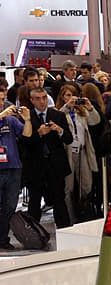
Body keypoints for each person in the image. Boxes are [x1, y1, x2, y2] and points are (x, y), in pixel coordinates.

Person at [23, 87, 73, 228]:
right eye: (38, 98)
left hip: (55, 164)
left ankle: (64, 229)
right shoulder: (27, 117)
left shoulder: (58, 115)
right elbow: (24, 142)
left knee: (59, 199)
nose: (42, 101)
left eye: (44, 98)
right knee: (35, 200)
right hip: (35, 165)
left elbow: (69, 139)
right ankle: (33, 232)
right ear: (32, 100)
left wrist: (59, 130)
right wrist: (38, 134)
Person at [55, 84, 100, 223]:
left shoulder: (81, 112)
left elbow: (95, 121)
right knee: (68, 187)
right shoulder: (60, 112)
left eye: (74, 95)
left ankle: (83, 212)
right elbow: (57, 120)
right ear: (63, 97)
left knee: (87, 185)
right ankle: (70, 217)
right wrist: (67, 106)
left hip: (83, 151)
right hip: (68, 153)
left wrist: (90, 107)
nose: (72, 98)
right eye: (68, 95)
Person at [0, 101, 32, 250]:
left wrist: (27, 119)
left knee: (10, 206)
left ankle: (3, 238)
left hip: (13, 168)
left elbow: (27, 134)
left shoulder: (11, 120)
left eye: (2, 100)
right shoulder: (4, 116)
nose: (1, 103)